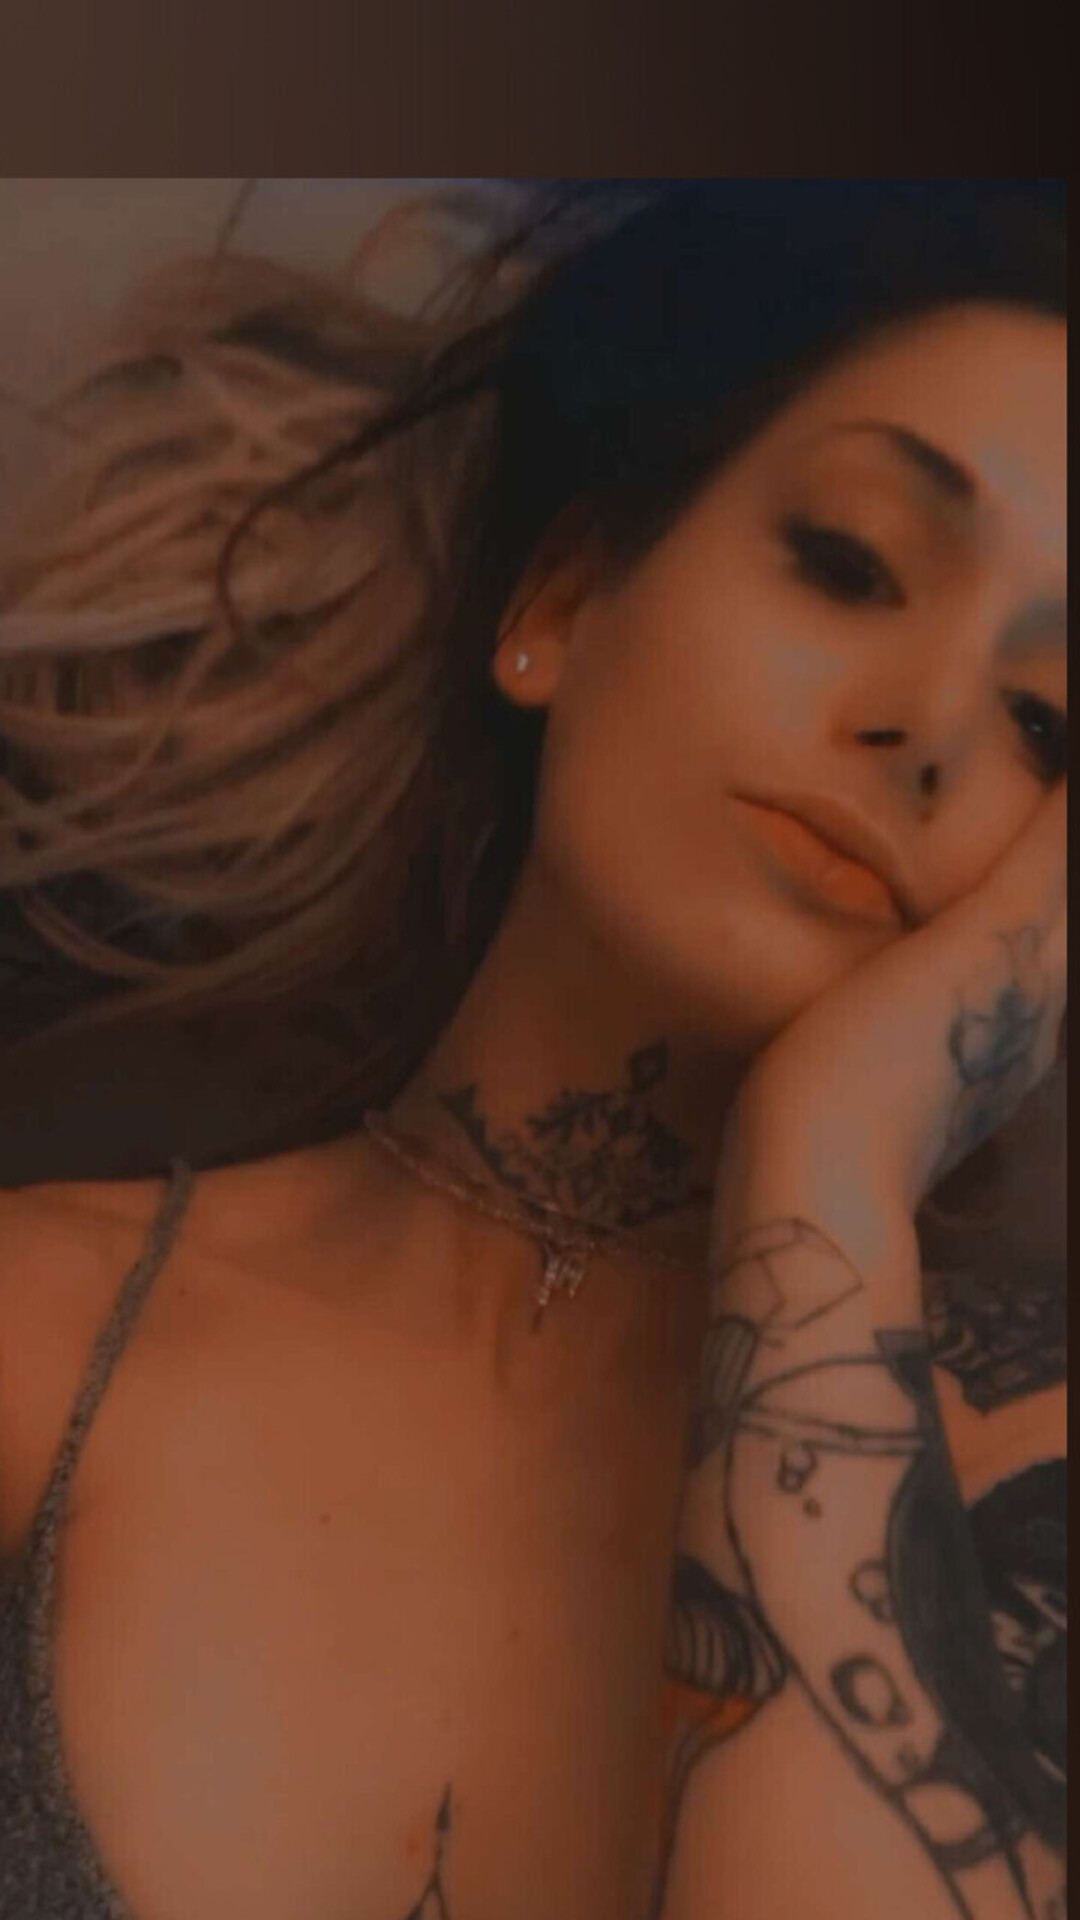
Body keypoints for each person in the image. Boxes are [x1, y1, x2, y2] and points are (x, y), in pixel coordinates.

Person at [0, 180, 1066, 1919]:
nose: (934, 727)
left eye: (1046, 724)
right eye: (850, 561)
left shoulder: (1031, 1476)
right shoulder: (35, 1334)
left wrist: (830, 1151)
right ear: (562, 602)